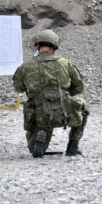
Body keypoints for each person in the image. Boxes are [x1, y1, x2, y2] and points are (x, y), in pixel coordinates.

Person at [12, 30, 89, 158]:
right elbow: (79, 87)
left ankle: (38, 138)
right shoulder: (66, 63)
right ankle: (72, 147)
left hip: (39, 113)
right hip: (64, 112)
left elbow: (18, 88)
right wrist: (63, 94)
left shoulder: (26, 66)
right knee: (84, 106)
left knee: (36, 148)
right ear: (55, 46)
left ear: (37, 45)